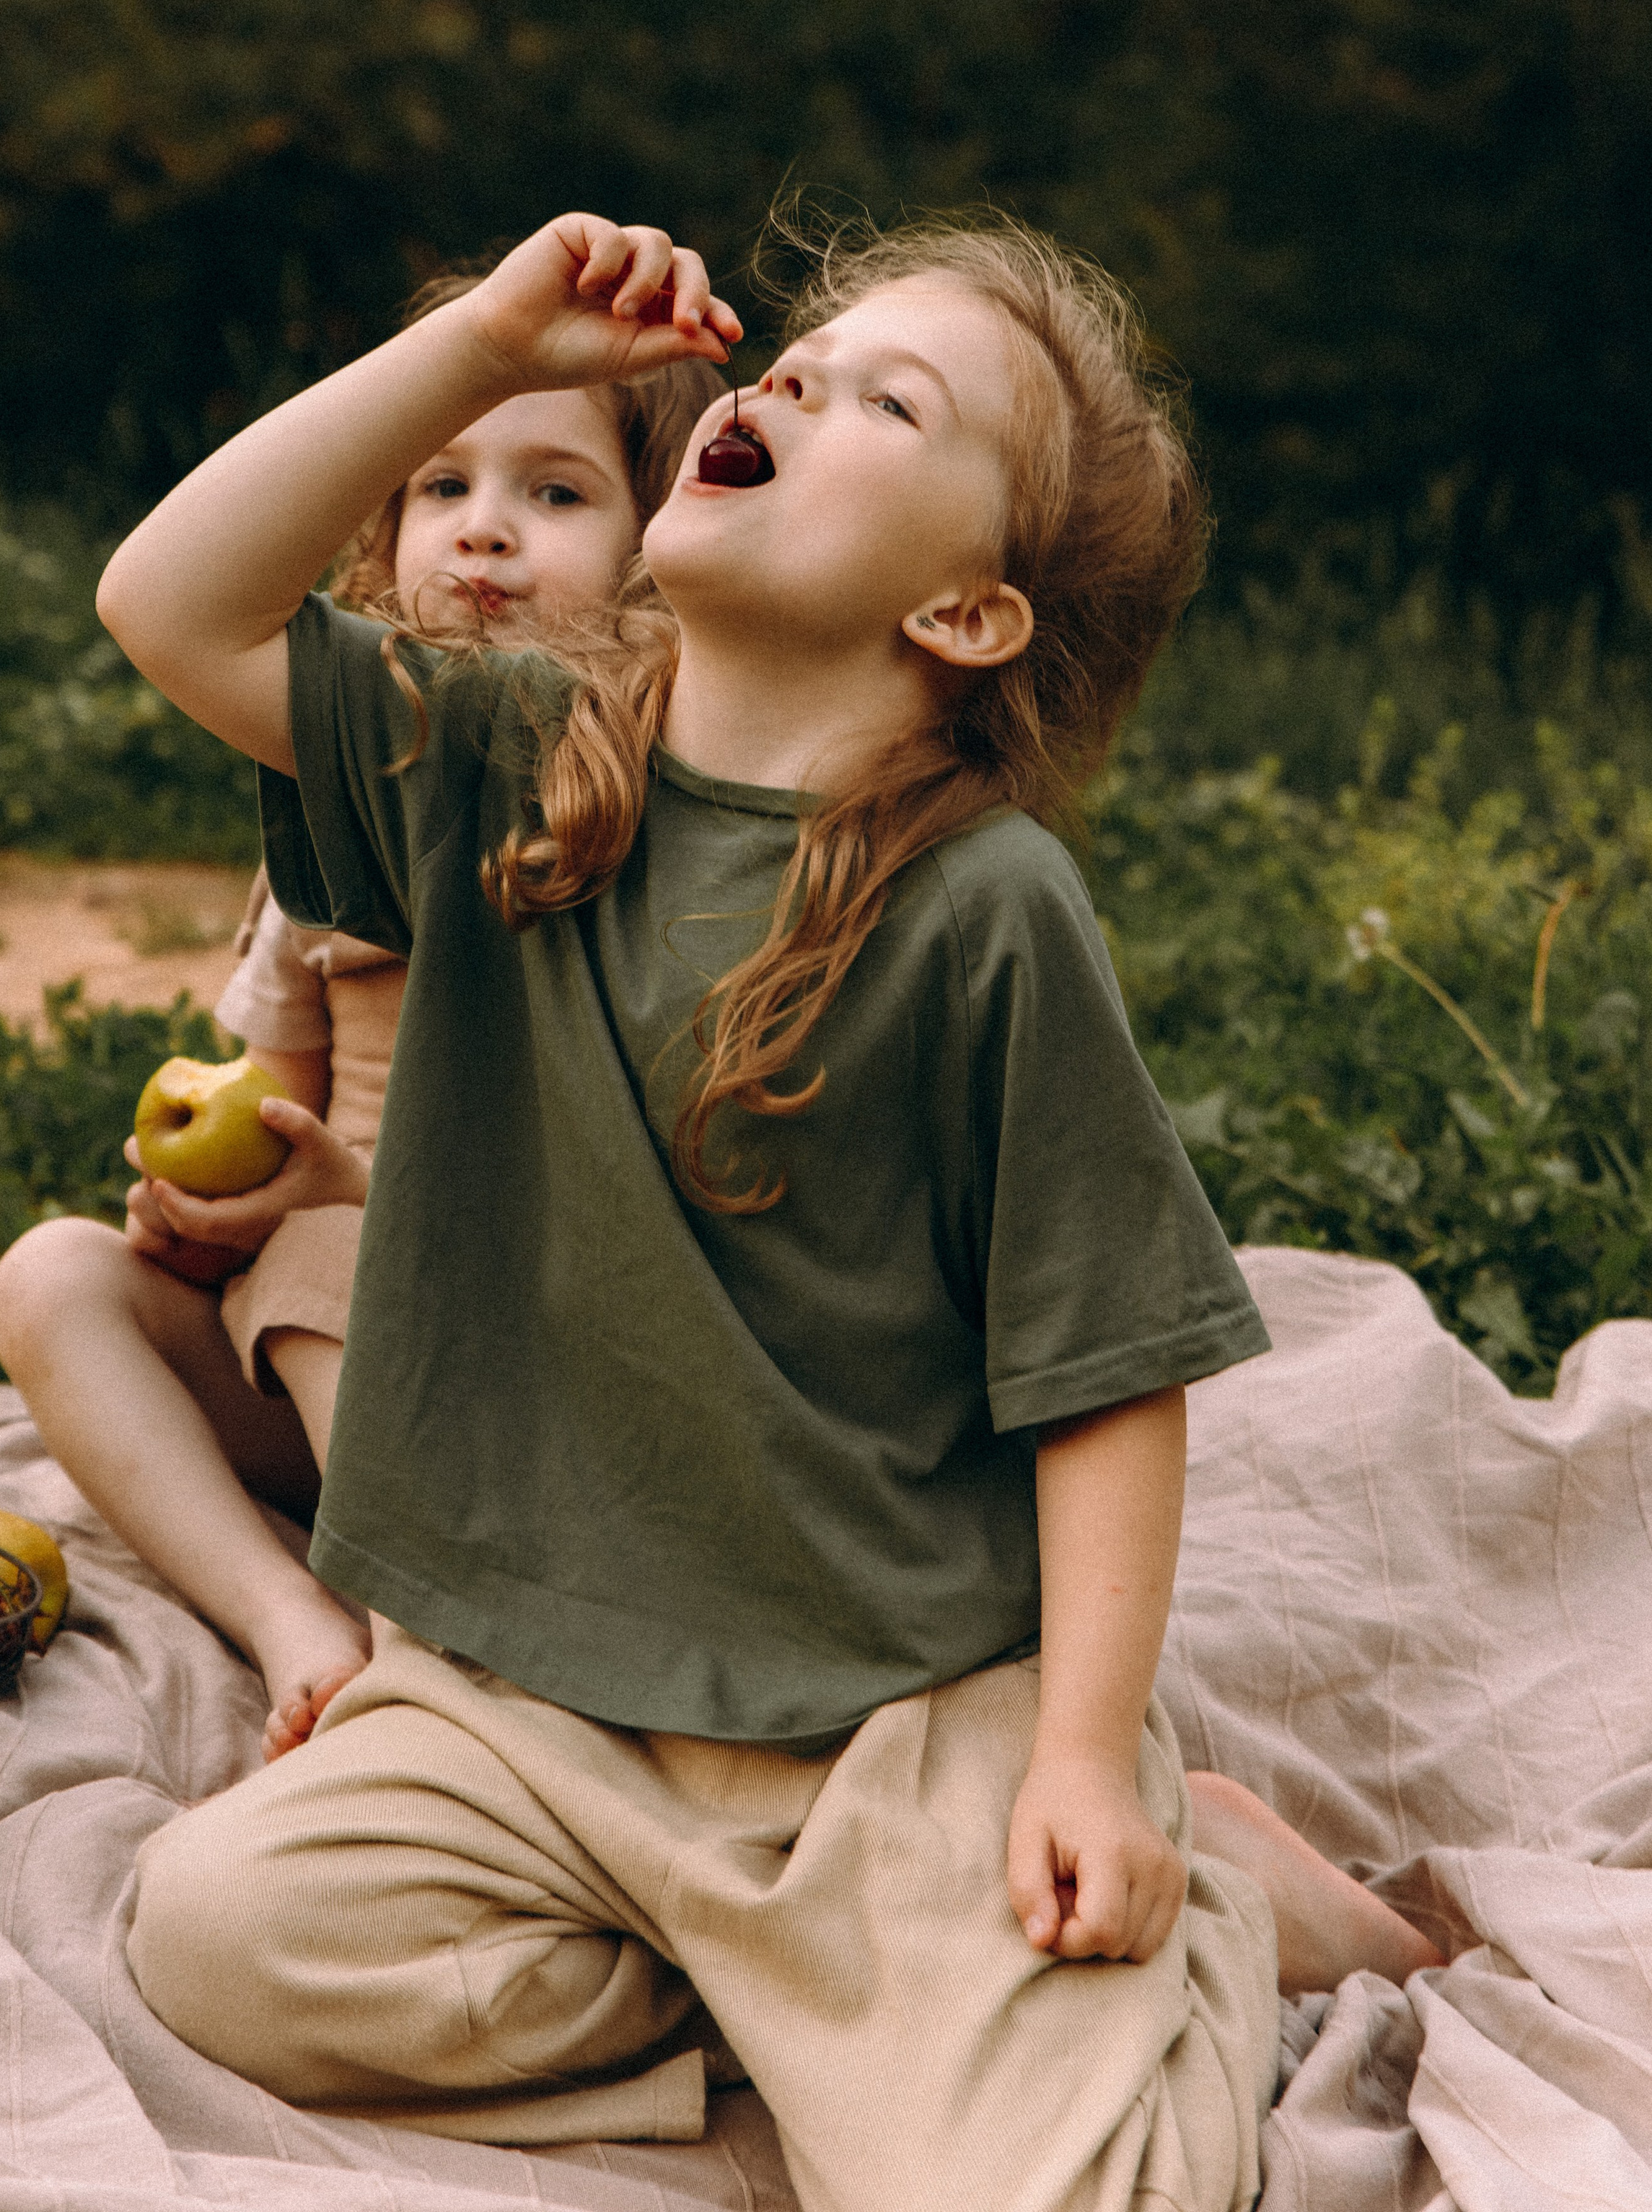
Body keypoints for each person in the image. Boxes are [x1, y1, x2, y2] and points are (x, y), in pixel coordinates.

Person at [97, 212, 1441, 2211]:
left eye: (891, 398)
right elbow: (169, 601)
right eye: (799, 358)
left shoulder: (984, 911)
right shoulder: (505, 763)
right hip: (530, 1699)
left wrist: (1077, 1750)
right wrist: (481, 344)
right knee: (212, 1937)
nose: (795, 381)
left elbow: (1103, 1381)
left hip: (887, 1716)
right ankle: (789, 1998)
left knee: (1078, 2197)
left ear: (971, 616)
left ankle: (1179, 1908)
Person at [0, 268, 724, 1759]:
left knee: (337, 1238)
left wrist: (341, 1211)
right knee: (52, 1279)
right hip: (339, 1367)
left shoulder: (659, 798)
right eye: (438, 482)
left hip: (561, 1377)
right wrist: (216, 1204)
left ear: (661, 544)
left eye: (558, 490)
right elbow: (273, 1109)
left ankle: (425, 1656)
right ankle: (293, 1617)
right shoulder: (348, 792)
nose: (483, 523)